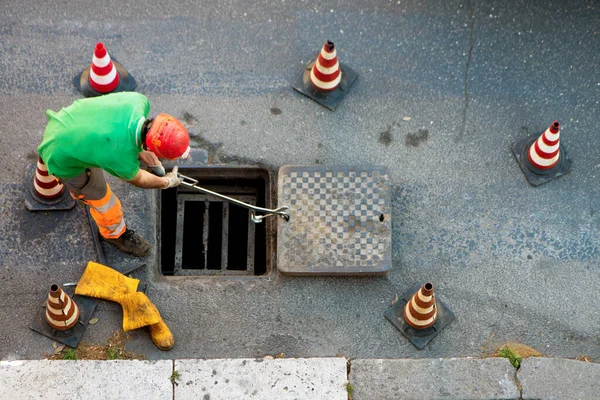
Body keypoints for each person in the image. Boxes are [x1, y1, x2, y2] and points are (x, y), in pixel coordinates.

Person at [37, 92, 190, 257]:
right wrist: (166, 182)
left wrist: (152, 161)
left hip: (68, 122)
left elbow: (125, 131)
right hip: (60, 154)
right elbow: (139, 179)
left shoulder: (139, 102)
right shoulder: (119, 156)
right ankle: (114, 234)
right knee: (103, 200)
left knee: (115, 148)